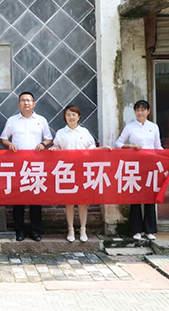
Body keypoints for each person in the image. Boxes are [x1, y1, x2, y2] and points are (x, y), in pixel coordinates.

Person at [51, 104, 109, 243]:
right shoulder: (60, 133)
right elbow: (56, 147)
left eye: (74, 115)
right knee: (69, 202)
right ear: (65, 117)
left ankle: (83, 229)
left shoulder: (84, 132)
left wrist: (103, 148)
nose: (71, 117)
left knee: (83, 202)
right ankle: (70, 229)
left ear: (79, 117)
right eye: (68, 115)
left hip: (83, 171)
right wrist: (53, 149)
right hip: (67, 171)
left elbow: (91, 149)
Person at [0, 91, 52, 242]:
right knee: (19, 199)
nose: (26, 103)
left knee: (36, 199)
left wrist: (43, 144)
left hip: (36, 165)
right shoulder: (12, 120)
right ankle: (19, 231)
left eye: (29, 100)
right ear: (19, 104)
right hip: (18, 164)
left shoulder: (41, 120)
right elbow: (3, 138)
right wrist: (9, 144)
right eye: (23, 101)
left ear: (34, 104)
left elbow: (49, 138)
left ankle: (35, 231)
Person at [115, 100, 166, 241]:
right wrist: (131, 146)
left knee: (150, 196)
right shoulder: (130, 127)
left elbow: (158, 146)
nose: (140, 113)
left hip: (150, 165)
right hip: (135, 165)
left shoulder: (153, 127)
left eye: (143, 110)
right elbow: (118, 143)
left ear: (148, 111)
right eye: (137, 110)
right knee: (136, 196)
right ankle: (136, 229)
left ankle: (150, 230)